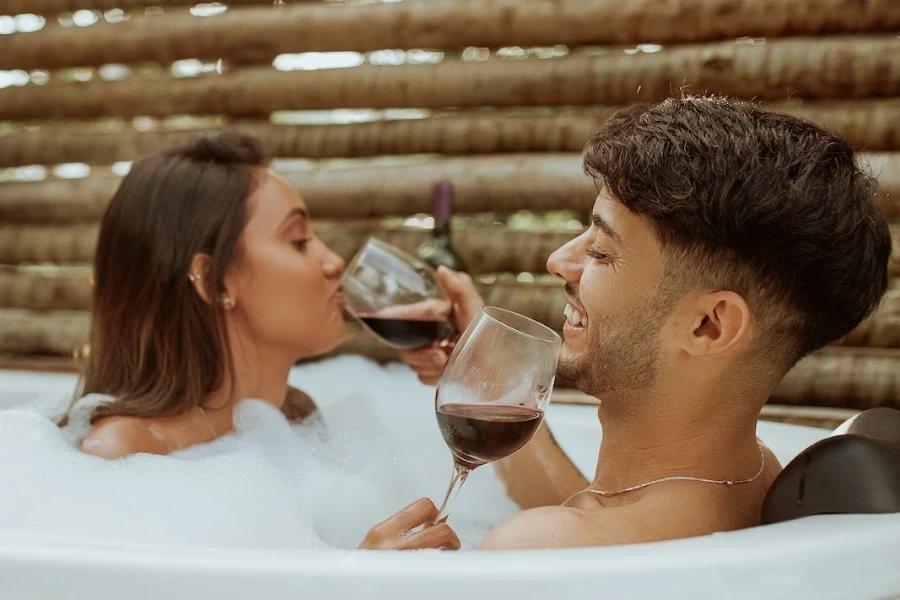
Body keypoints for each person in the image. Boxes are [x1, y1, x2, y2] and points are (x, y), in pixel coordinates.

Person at [398, 96, 892, 549]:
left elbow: (570, 530)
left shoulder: (539, 547)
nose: (557, 261)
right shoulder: (755, 476)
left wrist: (360, 580)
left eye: (601, 250)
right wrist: (499, 376)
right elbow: (603, 509)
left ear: (708, 326)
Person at [61, 130, 459, 551]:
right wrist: (354, 577)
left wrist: (479, 367)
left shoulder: (294, 420)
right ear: (216, 282)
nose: (333, 260)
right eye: (299, 240)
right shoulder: (120, 456)